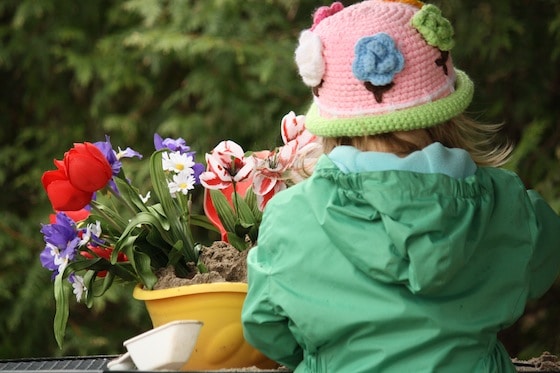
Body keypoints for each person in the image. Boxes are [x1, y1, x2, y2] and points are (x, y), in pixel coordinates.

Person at [241, 0, 560, 372]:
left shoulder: (291, 217)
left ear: (329, 123)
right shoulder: (506, 203)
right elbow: (541, 264)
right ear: (447, 111)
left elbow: (264, 324)